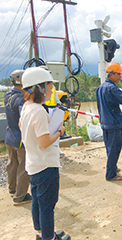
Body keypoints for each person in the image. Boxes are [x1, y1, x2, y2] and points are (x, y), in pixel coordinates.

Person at [19, 67, 71, 240]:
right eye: (49, 88)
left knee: (37, 202)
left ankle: (41, 233)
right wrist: (59, 131)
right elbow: (45, 142)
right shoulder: (39, 111)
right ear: (39, 88)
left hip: (33, 164)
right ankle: (49, 237)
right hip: (46, 165)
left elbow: (21, 126)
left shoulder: (26, 106)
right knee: (47, 206)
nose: (50, 92)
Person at [4, 69, 31, 206]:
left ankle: (12, 188)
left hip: (9, 135)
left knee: (12, 164)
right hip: (19, 138)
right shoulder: (21, 98)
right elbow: (24, 118)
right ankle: (20, 196)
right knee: (24, 167)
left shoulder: (7, 94)